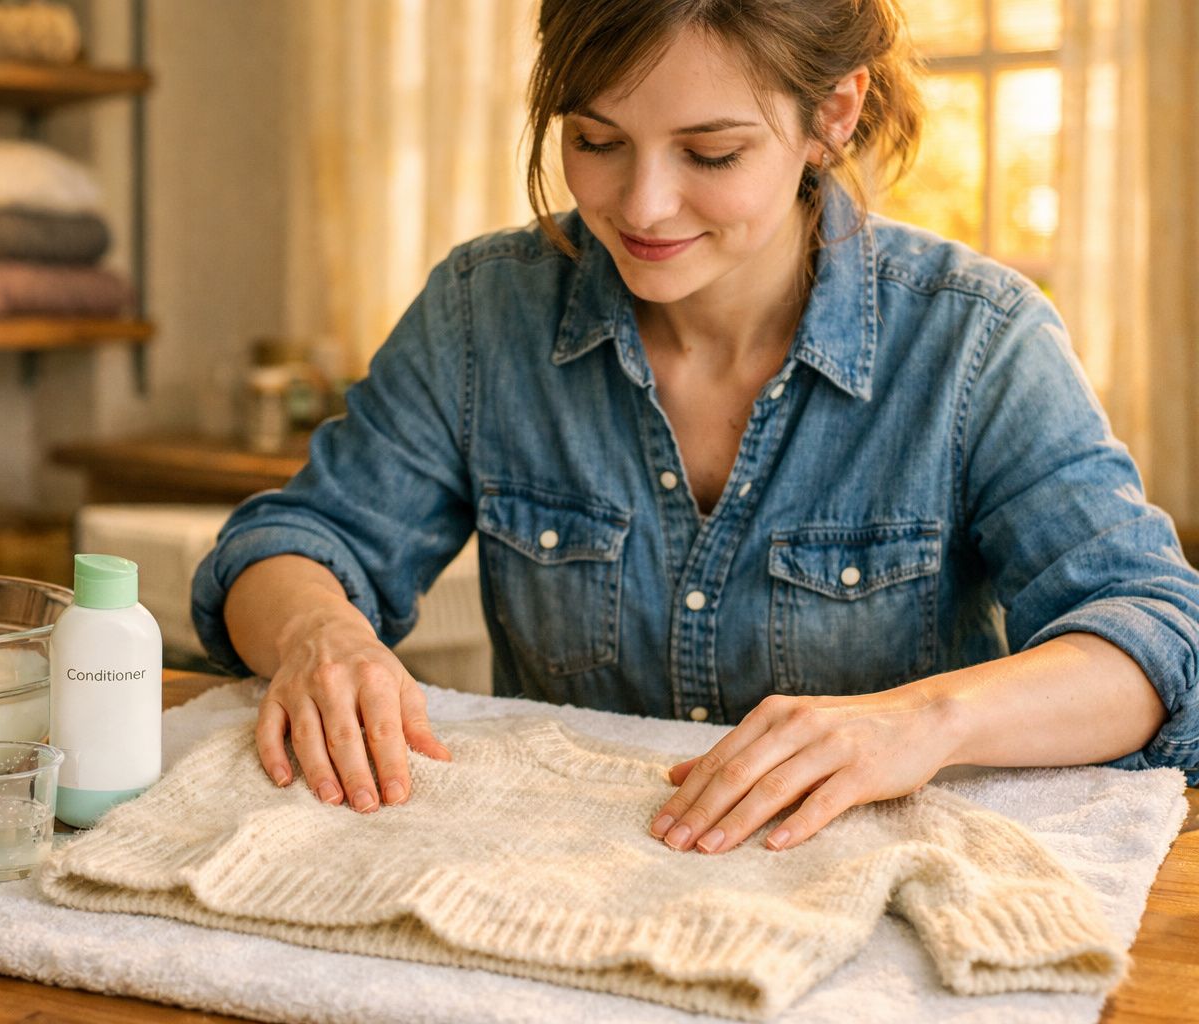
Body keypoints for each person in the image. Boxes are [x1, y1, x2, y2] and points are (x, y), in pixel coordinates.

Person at [192, 0, 1199, 856]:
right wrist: (319, 632)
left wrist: (925, 722)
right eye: (595, 141)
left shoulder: (977, 339)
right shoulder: (482, 312)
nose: (642, 204)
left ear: (832, 113)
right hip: (565, 889)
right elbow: (287, 545)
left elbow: (1156, 640)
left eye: (710, 152)